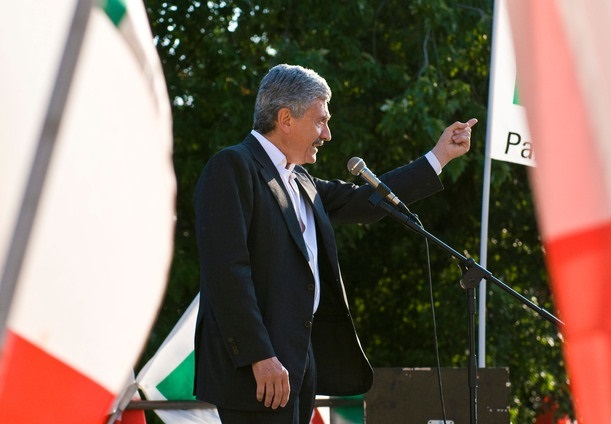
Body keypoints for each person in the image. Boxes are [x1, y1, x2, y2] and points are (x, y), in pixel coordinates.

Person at [193, 63, 477, 424]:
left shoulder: (300, 180)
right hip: (258, 368)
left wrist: (440, 157)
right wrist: (258, 355)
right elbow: (226, 272)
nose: (327, 134)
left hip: (298, 361)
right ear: (285, 119)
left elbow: (367, 201)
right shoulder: (233, 166)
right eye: (320, 121)